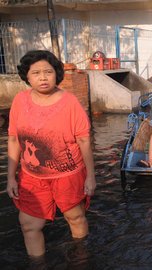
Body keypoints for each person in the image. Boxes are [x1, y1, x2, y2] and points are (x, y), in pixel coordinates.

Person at [6, 50, 96, 258]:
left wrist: (90, 176)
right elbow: (13, 138)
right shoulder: (20, 101)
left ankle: (81, 258)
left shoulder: (70, 102)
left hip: (68, 174)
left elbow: (84, 140)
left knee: (75, 218)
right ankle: (38, 264)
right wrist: (10, 177)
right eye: (36, 73)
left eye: (48, 72)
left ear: (57, 74)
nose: (43, 77)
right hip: (32, 176)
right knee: (29, 225)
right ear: (27, 76)